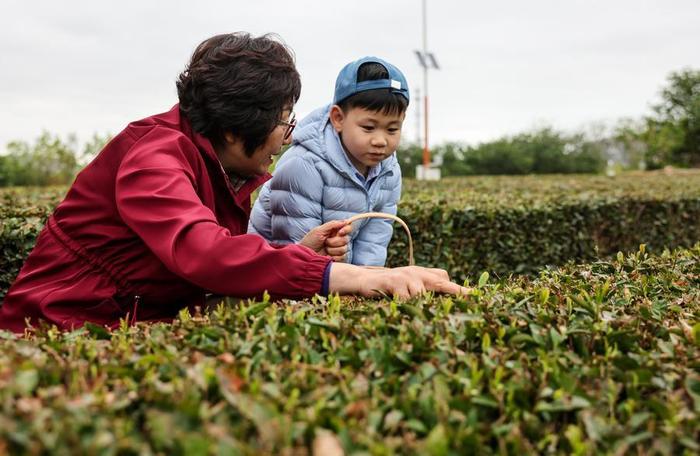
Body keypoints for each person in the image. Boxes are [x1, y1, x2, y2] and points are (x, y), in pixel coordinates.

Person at [0, 32, 467, 334]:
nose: (287, 139)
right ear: (233, 129)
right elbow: (203, 252)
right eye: (284, 123)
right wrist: (357, 277)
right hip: (58, 332)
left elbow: (222, 258)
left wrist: (300, 252)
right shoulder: (154, 158)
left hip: (129, 327)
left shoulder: (220, 165)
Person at [248, 56, 407, 266]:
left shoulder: (389, 170)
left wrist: (367, 283)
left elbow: (374, 241)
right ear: (338, 119)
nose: (380, 141)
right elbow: (296, 251)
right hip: (272, 274)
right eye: (368, 128)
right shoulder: (303, 165)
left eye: (392, 129)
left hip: (333, 274)